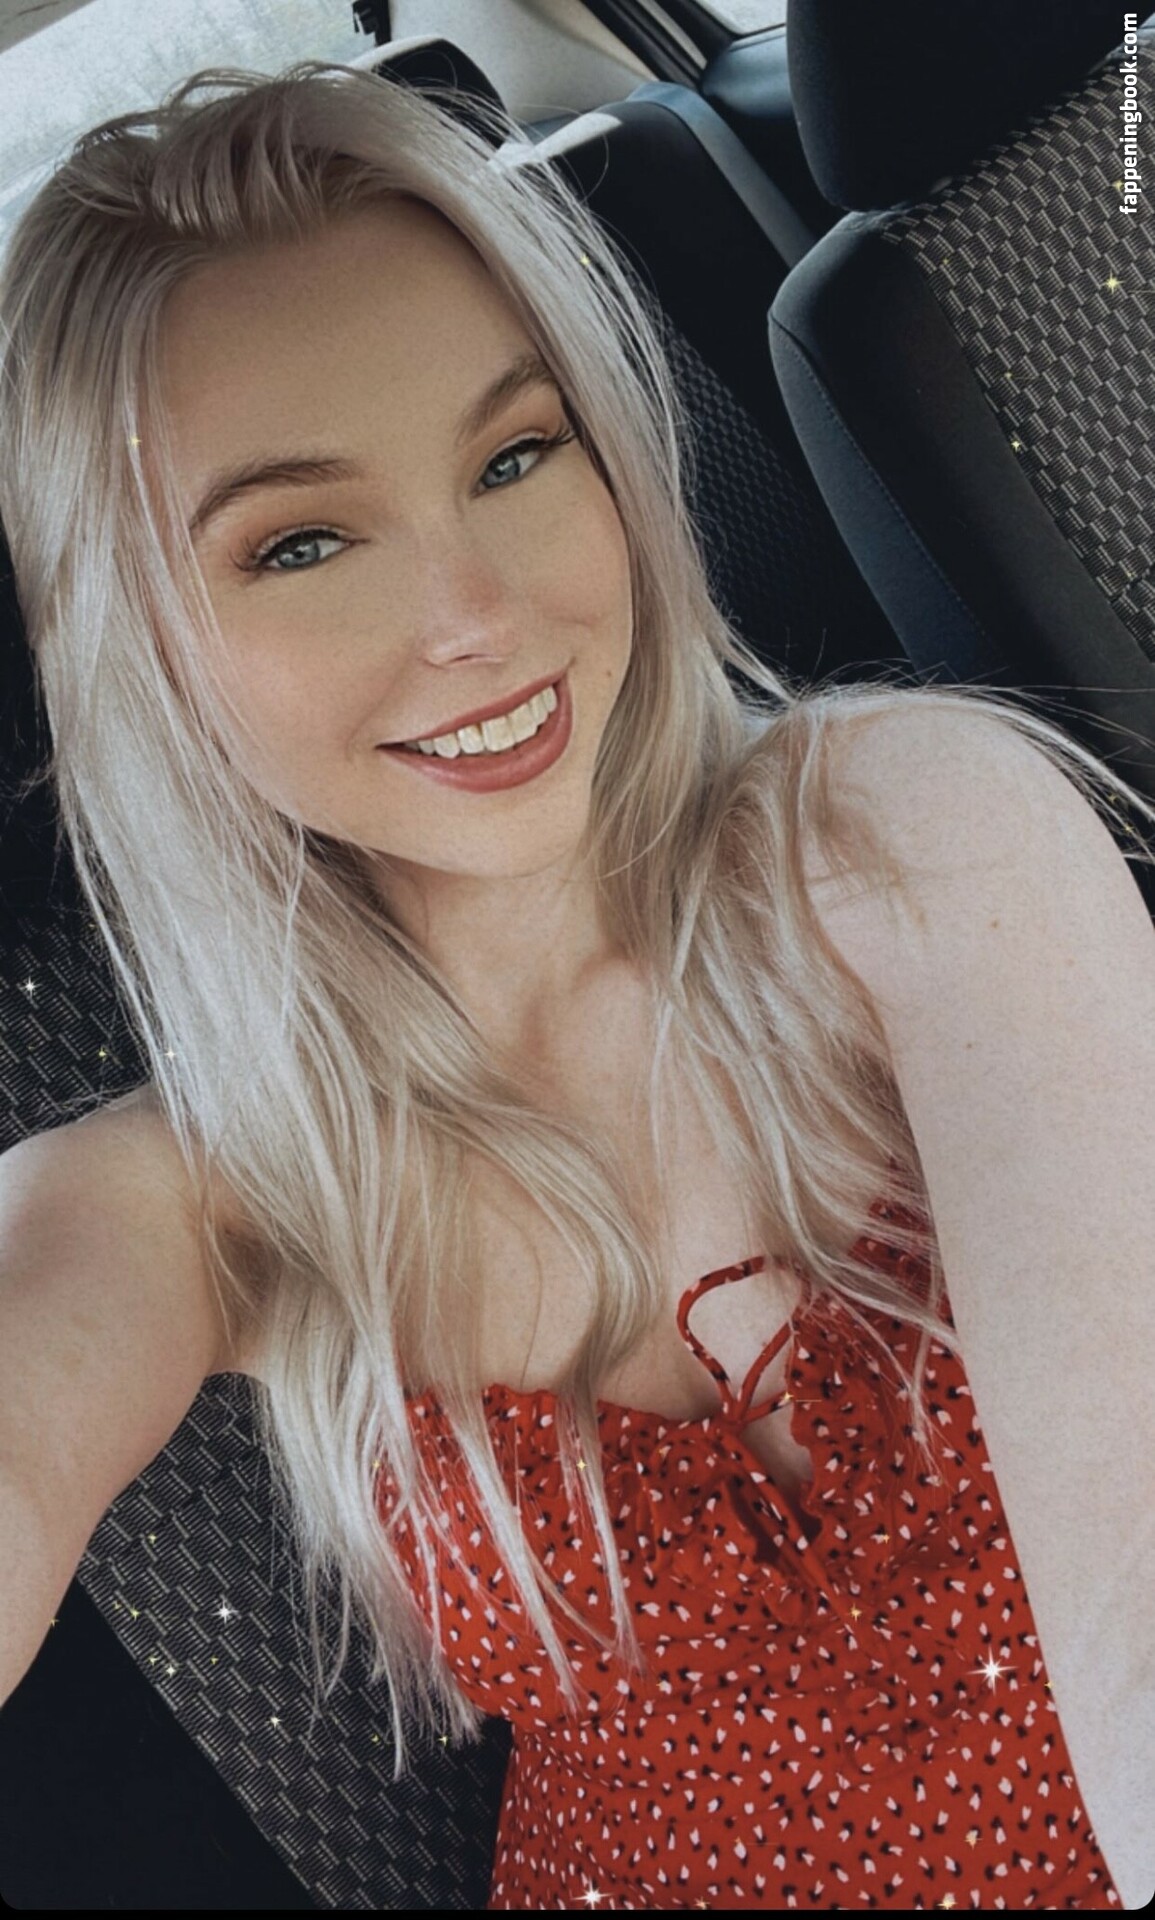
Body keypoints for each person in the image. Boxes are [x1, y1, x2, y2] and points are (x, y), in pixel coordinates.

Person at [0, 62, 1152, 1912]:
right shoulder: (194, 1199)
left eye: (514, 457)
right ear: (134, 646)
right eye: (303, 543)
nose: (477, 615)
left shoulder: (910, 838)